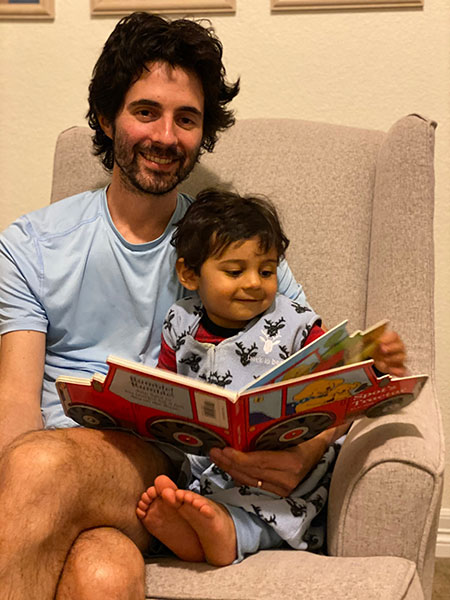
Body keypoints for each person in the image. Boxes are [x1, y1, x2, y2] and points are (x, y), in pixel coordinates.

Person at [0, 11, 405, 600]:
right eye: (146, 111)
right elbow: (15, 401)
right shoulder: (30, 245)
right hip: (50, 469)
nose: (166, 136)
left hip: (168, 472)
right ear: (104, 116)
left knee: (42, 469)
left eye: (186, 119)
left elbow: (318, 364)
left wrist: (307, 449)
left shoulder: (231, 249)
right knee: (103, 571)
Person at [135, 189, 408, 566]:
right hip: (208, 465)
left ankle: (229, 534)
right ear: (189, 274)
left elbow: (341, 375)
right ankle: (195, 530)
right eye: (235, 271)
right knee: (194, 495)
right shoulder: (180, 322)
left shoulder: (293, 322)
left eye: (266, 271)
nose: (253, 283)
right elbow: (165, 387)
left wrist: (376, 362)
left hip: (279, 468)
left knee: (269, 509)